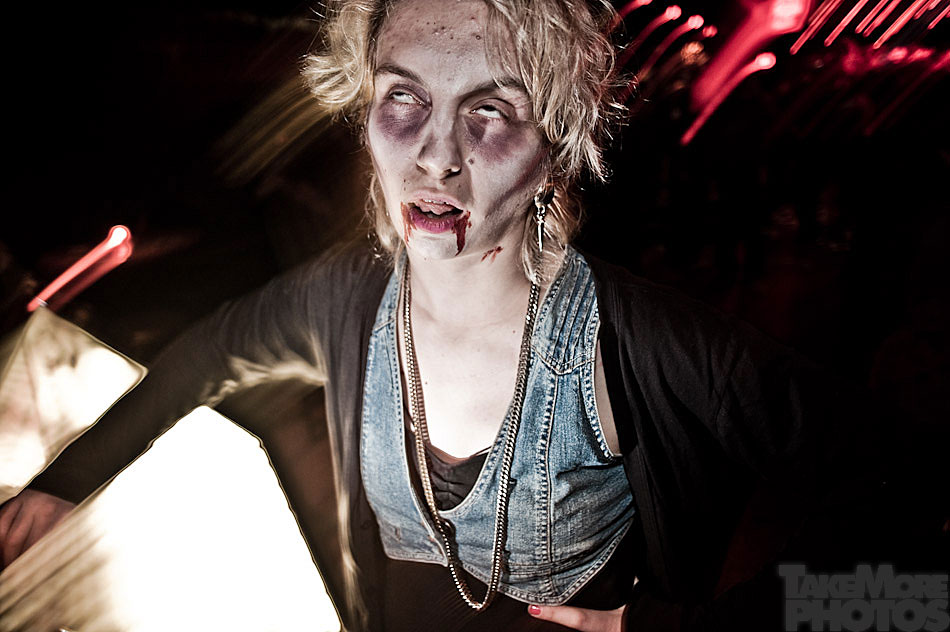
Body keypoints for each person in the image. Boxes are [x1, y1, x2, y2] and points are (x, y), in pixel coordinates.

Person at [0, 0, 888, 630]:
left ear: (555, 148)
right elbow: (208, 354)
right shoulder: (344, 300)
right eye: (404, 96)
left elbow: (915, 554)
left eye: (489, 110)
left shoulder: (638, 344)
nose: (435, 155)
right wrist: (67, 480)